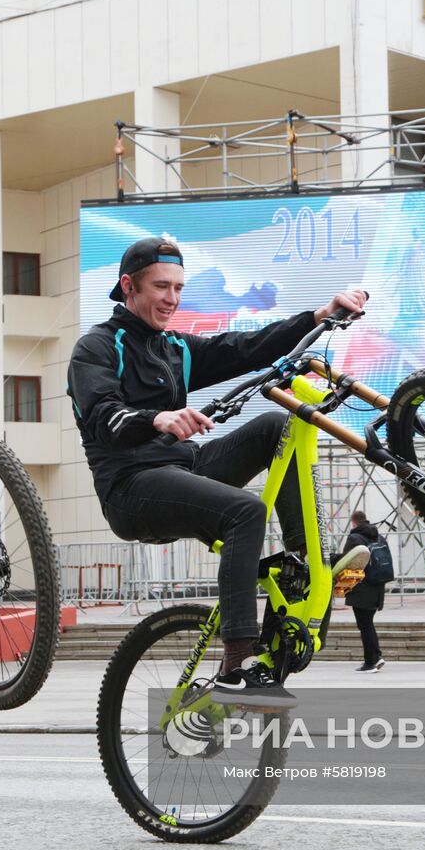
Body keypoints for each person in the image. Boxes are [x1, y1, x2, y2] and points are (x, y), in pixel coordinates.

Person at [67, 235, 366, 703]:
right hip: (131, 486)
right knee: (246, 511)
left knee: (275, 426)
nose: (172, 299)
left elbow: (245, 347)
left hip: (186, 468)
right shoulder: (98, 347)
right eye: (161, 287)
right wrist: (157, 418)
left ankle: (304, 565)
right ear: (129, 286)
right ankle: (235, 663)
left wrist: (317, 316)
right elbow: (104, 417)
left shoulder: (174, 350)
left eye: (179, 288)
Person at [343, 511, 387, 672]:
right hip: (378, 587)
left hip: (362, 588)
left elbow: (345, 561)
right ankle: (376, 656)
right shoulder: (379, 537)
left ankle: (370, 662)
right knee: (368, 624)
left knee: (365, 625)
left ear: (353, 523)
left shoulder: (355, 538)